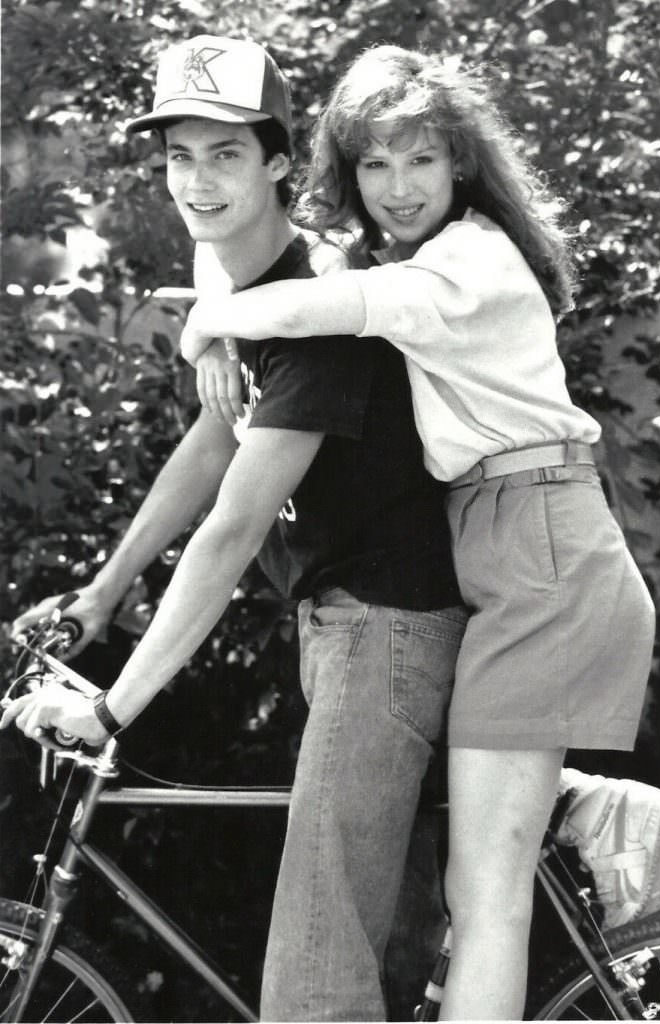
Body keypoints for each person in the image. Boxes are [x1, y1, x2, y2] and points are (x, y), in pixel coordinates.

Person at [176, 45, 660, 1019]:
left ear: (461, 165)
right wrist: (216, 296)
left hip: (542, 548)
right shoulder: (416, 253)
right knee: (463, 847)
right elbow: (240, 237)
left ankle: (577, 807)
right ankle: (586, 807)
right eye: (374, 163)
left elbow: (323, 300)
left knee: (483, 898)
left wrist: (212, 324)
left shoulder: (465, 262)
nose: (397, 187)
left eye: (419, 161)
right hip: (499, 549)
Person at [1, 35, 468, 1021]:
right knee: (374, 951)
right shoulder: (242, 297)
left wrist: (113, 708)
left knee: (314, 978)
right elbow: (211, 446)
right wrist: (101, 592)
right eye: (179, 155)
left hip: (385, 629)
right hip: (343, 629)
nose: (197, 180)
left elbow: (230, 527)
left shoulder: (323, 312)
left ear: (280, 162)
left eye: (224, 154)